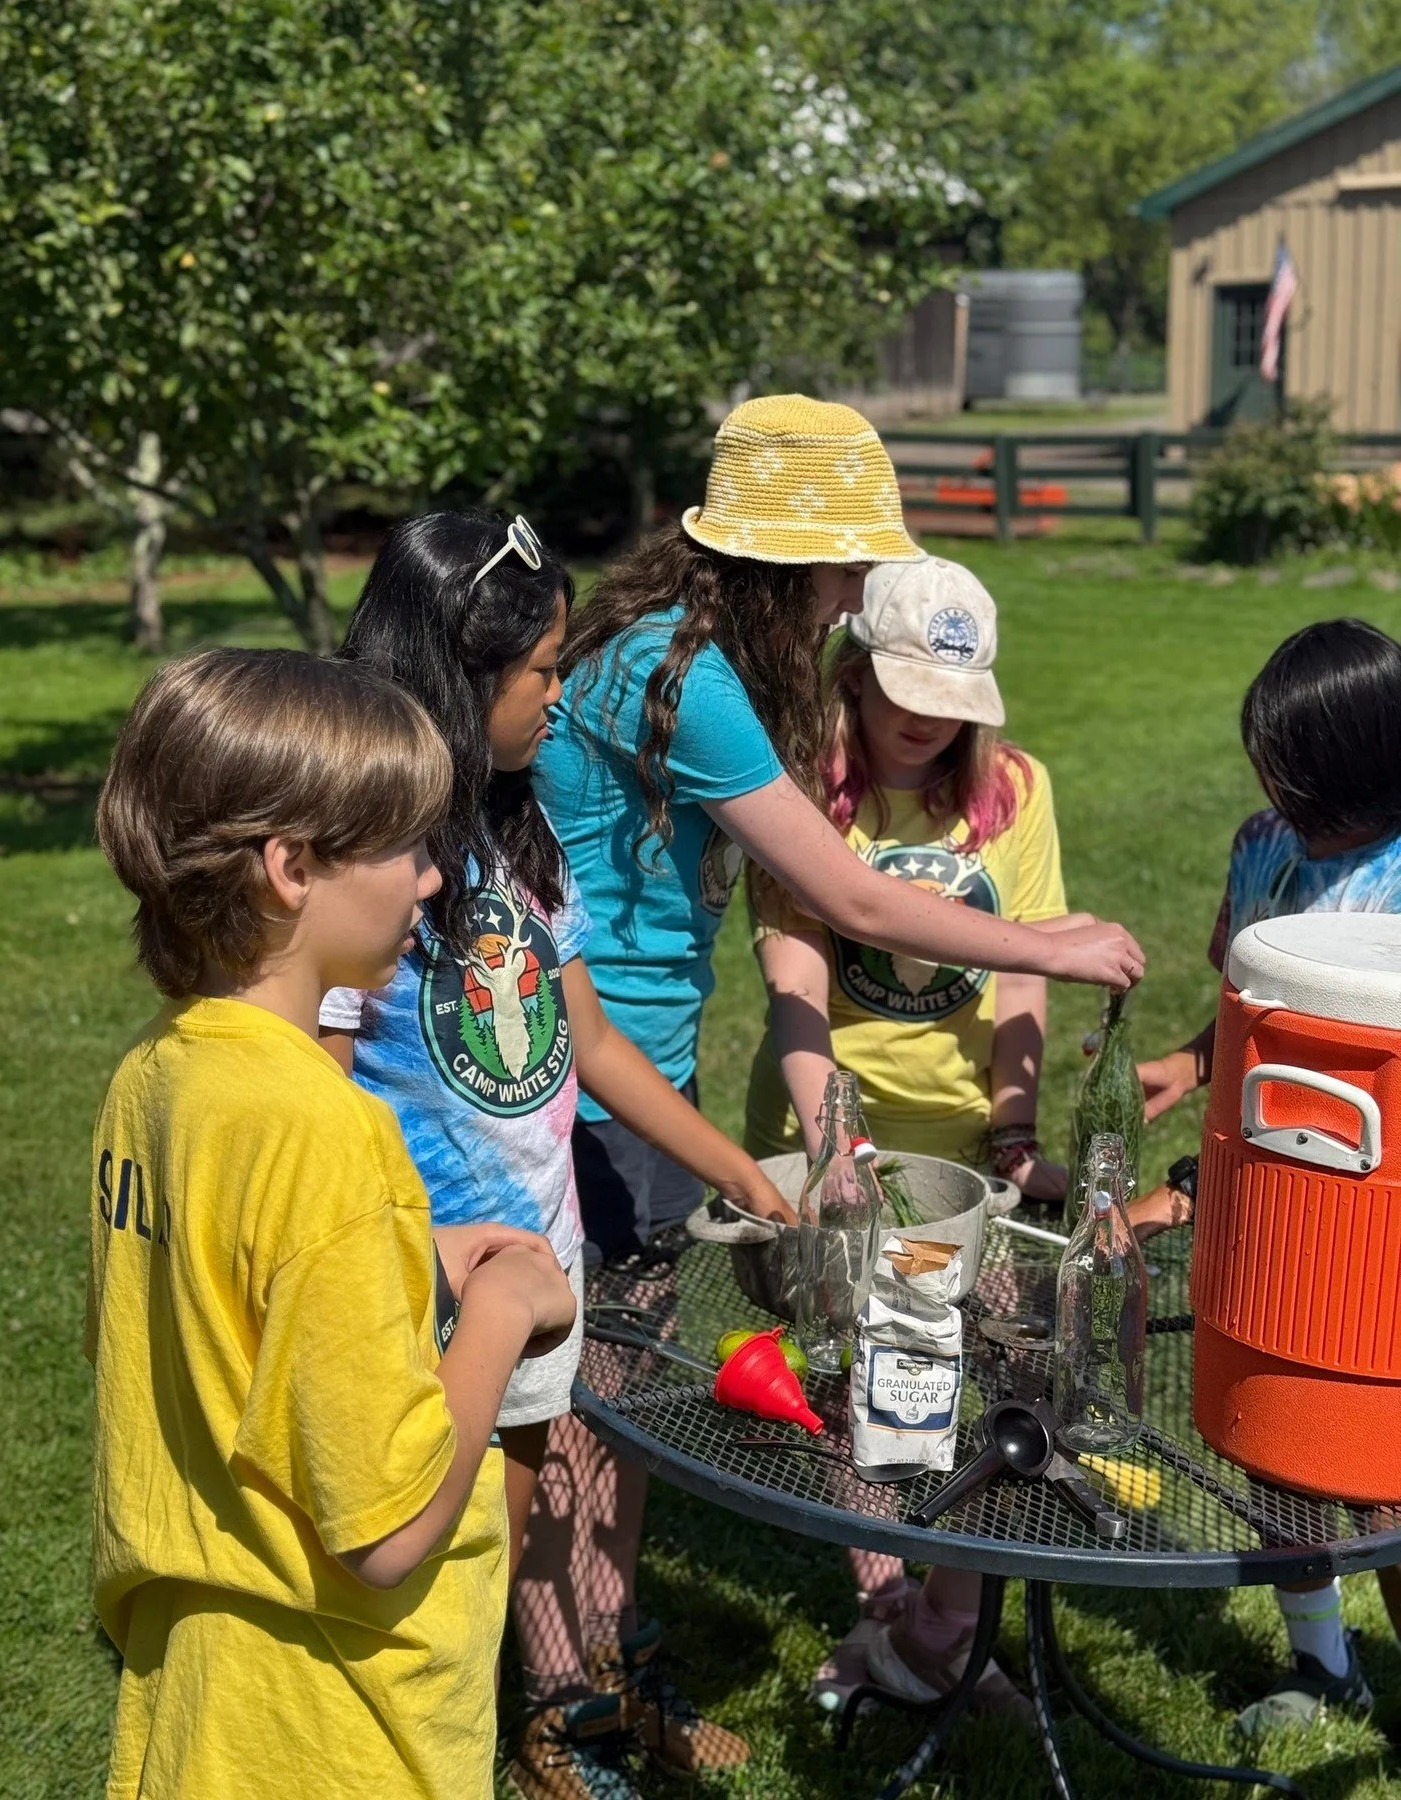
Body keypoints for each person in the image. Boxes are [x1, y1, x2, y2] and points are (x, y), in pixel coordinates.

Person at [534, 396, 1144, 1766]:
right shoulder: (691, 682)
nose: (857, 591)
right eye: (846, 568)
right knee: (590, 1410)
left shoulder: (670, 655)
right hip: (585, 1080)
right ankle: (571, 1715)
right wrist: (1041, 939)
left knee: (611, 1398)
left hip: (622, 1062)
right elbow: (847, 901)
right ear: (785, 564)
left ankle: (608, 1685)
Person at [317, 512, 787, 1800]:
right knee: (423, 1591)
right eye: (543, 672)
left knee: (500, 1561)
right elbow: (323, 1092)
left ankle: (529, 1733)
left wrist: (740, 1170)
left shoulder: (516, 839)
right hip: (428, 1292)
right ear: (463, 679)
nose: (565, 694)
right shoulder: (370, 869)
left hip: (537, 1283)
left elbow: (588, 1040)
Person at [88, 648, 576, 1800]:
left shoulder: (158, 1078)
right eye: (405, 847)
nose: (426, 880)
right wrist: (501, 1313)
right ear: (291, 866)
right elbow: (388, 1527)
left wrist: (412, 1257)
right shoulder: (328, 1134)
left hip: (200, 1701)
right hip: (338, 1731)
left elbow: (238, 1299)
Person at [744, 554, 1068, 1717]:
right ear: (853, 672)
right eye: (904, 694)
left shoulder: (1013, 792)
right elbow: (794, 982)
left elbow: (1028, 973)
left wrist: (1017, 1126)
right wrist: (837, 1144)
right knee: (865, 1382)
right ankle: (900, 1622)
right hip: (839, 1123)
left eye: (952, 702)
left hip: (968, 1143)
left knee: (972, 1377)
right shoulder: (798, 789)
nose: (928, 722)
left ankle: (930, 1633)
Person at [1132, 617, 1401, 1735]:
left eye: (1308, 789)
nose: (1285, 805)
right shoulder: (1262, 847)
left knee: (1384, 1466)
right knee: (1271, 1431)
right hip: (1261, 1188)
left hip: (1373, 1214)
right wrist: (1189, 1064)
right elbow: (1251, 999)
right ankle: (1323, 1663)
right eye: (1272, 779)